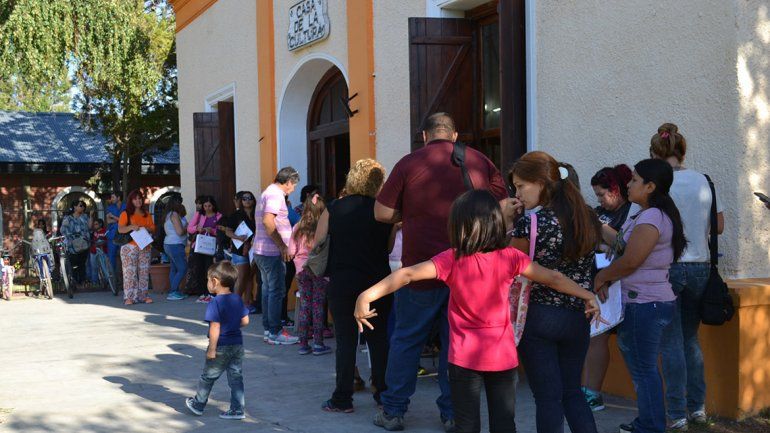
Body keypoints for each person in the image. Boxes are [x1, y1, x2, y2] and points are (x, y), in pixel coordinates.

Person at [356, 190, 602, 433]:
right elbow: (554, 278)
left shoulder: (452, 259)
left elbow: (408, 274)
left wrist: (366, 296)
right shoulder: (511, 257)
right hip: (502, 357)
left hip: (464, 359)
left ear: (459, 226)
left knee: (466, 426)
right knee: (504, 426)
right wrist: (587, 294)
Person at [374, 113, 509, 431]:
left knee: (407, 339)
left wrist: (409, 212)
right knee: (456, 343)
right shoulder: (478, 160)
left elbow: (381, 212)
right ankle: (453, 414)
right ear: (455, 134)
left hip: (421, 267)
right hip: (468, 269)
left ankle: (393, 411)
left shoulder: (409, 163)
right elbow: (502, 206)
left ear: (424, 135)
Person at [508, 151, 602, 433]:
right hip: (578, 315)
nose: (517, 193)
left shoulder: (531, 223)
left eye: (521, 186)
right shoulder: (587, 217)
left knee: (548, 397)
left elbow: (510, 266)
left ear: (540, 183)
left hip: (539, 316)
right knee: (573, 392)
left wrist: (505, 221)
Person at [594, 158, 686, 433]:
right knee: (644, 369)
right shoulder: (646, 214)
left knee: (644, 370)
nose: (629, 184)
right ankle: (648, 421)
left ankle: (651, 425)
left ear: (650, 187)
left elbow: (632, 260)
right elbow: (622, 247)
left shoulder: (651, 217)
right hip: (649, 301)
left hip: (645, 303)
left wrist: (603, 276)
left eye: (634, 180)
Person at [650, 123, 724, 430]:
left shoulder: (659, 184)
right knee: (690, 339)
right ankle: (697, 409)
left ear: (654, 154)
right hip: (700, 267)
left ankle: (677, 413)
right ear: (682, 151)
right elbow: (718, 226)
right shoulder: (703, 180)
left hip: (669, 266)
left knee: (670, 342)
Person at [311, 159, 393, 412]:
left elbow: (318, 242)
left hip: (343, 281)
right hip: (377, 282)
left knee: (346, 341)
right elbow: (389, 247)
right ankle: (382, 393)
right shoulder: (383, 210)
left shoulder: (334, 207)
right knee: (378, 339)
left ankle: (342, 398)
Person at [581, 163, 634, 411]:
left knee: (600, 337)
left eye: (602, 194)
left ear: (616, 189)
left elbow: (624, 246)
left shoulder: (631, 212)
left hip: (619, 284)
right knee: (592, 336)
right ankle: (587, 389)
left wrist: (600, 229)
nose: (599, 200)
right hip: (596, 281)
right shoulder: (599, 211)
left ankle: (592, 393)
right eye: (597, 195)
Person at [185, 261, 249, 420]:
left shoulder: (215, 302)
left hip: (221, 346)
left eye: (208, 280)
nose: (207, 283)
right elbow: (245, 321)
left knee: (208, 376)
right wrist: (233, 325)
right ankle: (237, 409)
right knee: (236, 377)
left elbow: (215, 327)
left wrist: (212, 348)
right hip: (237, 345)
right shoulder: (237, 298)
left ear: (215, 281)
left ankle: (198, 404)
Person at [251, 167, 301, 345]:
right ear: (288, 182)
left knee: (268, 290)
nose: (293, 189)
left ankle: (269, 330)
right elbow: (268, 221)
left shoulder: (268, 192)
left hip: (263, 251)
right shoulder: (275, 194)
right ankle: (275, 332)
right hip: (271, 252)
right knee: (276, 291)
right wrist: (282, 246)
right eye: (293, 185)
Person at [289, 192, 331, 356]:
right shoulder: (325, 226)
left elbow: (291, 251)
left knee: (305, 305)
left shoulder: (298, 227)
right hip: (320, 270)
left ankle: (303, 344)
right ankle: (318, 344)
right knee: (318, 305)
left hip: (301, 270)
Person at [118, 190, 156, 305]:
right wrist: (131, 227)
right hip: (129, 247)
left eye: (140, 198)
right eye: (135, 199)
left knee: (144, 272)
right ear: (131, 201)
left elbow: (153, 228)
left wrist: (147, 228)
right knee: (129, 273)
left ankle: (143, 296)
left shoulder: (146, 214)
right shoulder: (125, 213)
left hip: (145, 246)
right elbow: (120, 229)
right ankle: (129, 297)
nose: (138, 201)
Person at [223, 191, 257, 310]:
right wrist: (238, 237)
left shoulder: (257, 214)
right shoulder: (236, 215)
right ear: (241, 201)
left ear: (253, 200)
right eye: (244, 198)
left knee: (250, 277)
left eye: (249, 198)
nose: (247, 200)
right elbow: (228, 231)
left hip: (254, 249)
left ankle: (247, 303)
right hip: (239, 249)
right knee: (242, 277)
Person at [186, 196, 222, 303]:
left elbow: (221, 231)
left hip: (211, 247)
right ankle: (202, 293)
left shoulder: (219, 216)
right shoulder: (200, 215)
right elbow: (189, 228)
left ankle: (211, 293)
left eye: (209, 206)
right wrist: (197, 228)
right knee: (199, 270)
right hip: (199, 247)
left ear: (213, 206)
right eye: (205, 206)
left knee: (210, 270)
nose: (207, 208)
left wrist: (213, 231)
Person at [60, 199, 92, 289]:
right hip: (73, 245)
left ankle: (82, 282)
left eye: (83, 206)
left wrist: (91, 216)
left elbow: (89, 227)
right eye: (80, 205)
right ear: (75, 207)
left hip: (84, 243)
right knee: (74, 264)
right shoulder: (68, 218)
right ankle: (74, 282)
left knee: (82, 263)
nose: (82, 207)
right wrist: (68, 235)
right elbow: (62, 230)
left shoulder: (85, 217)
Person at [163, 195, 188, 301]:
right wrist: (188, 227)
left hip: (169, 244)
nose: (181, 204)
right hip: (175, 244)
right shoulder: (174, 214)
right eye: (180, 202)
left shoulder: (168, 214)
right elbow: (180, 232)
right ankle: (173, 292)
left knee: (174, 269)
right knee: (183, 268)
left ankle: (175, 291)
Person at [105, 191, 125, 270]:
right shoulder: (110, 207)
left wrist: (113, 216)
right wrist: (120, 220)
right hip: (112, 235)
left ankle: (125, 275)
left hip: (124, 235)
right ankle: (112, 276)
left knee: (125, 255)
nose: (111, 199)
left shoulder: (126, 207)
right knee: (111, 256)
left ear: (118, 198)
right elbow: (108, 221)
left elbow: (127, 221)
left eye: (113, 197)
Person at [88, 218, 108, 285]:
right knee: (94, 267)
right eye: (94, 224)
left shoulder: (105, 231)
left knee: (104, 267)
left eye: (96, 224)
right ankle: (95, 282)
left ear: (100, 224)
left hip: (103, 251)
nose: (94, 226)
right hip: (93, 251)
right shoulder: (93, 232)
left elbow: (107, 240)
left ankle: (107, 281)